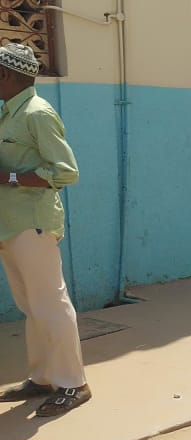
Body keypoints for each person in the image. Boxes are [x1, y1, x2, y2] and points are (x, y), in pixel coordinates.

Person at [0, 43, 91, 418]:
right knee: (31, 306)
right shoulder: (8, 113)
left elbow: (66, 172)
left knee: (50, 303)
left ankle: (74, 383)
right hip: (10, 224)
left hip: (33, 224)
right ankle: (42, 378)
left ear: (6, 74)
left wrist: (9, 177)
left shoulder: (37, 113)